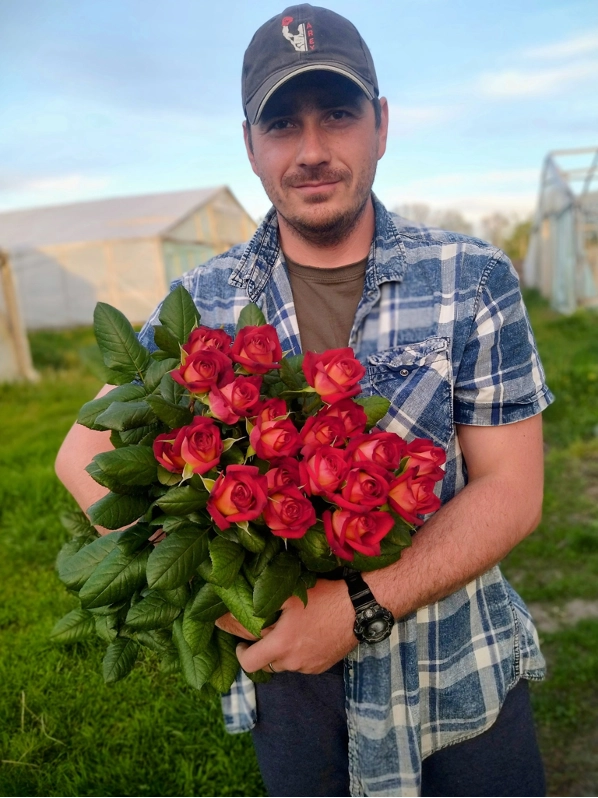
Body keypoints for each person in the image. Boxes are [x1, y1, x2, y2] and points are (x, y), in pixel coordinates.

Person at [56, 5, 554, 797]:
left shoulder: (473, 278)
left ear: (381, 125)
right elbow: (81, 454)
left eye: (340, 115)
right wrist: (212, 596)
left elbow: (514, 488)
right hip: (294, 697)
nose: (313, 151)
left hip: (461, 676)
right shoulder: (205, 300)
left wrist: (354, 608)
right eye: (283, 123)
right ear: (250, 144)